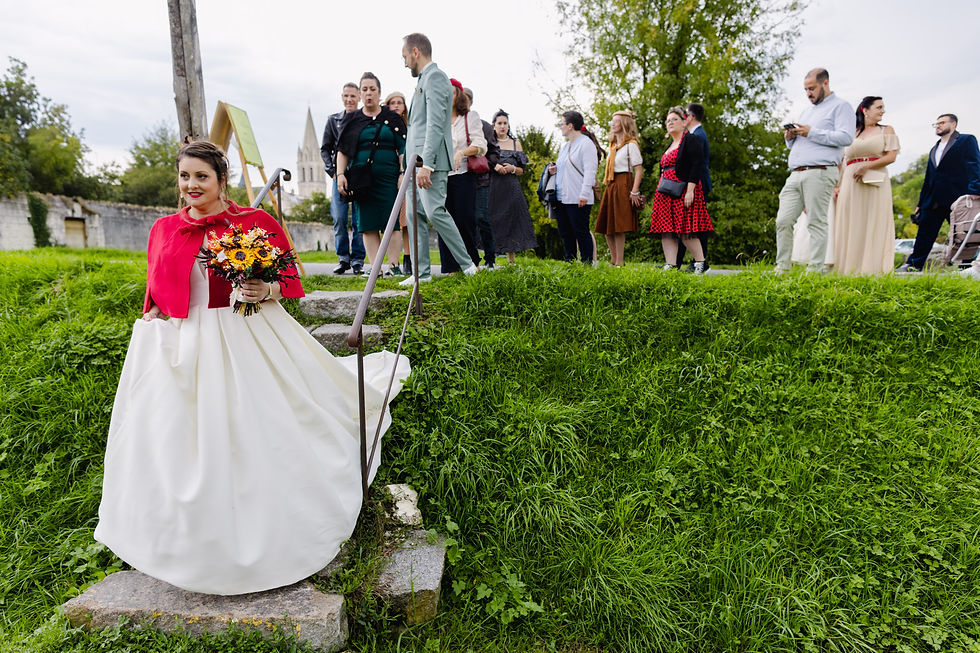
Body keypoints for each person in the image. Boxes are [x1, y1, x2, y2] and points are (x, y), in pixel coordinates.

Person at [95, 141, 410, 595]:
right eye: (184, 177)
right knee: (175, 434)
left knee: (256, 422)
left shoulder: (254, 223)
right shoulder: (165, 228)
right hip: (189, 338)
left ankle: (270, 521)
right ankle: (184, 537)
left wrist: (263, 291)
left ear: (222, 180)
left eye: (201, 177)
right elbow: (157, 286)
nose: (191, 186)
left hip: (246, 328)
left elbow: (288, 278)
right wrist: (155, 313)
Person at [399, 32, 477, 284]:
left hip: (427, 163)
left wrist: (428, 164)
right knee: (414, 216)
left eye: (405, 57)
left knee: (434, 212)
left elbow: (434, 124)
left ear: (415, 52)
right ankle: (420, 275)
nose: (404, 63)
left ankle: (468, 266)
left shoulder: (436, 78)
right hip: (414, 163)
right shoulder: (422, 79)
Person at [774, 68, 853, 273]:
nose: (808, 93)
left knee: (816, 222)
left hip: (820, 170)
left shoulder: (841, 107)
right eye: (805, 89)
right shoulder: (806, 111)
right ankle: (782, 268)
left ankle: (815, 269)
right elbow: (803, 143)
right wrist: (790, 139)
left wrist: (812, 132)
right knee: (783, 220)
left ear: (825, 84)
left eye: (812, 88)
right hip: (796, 172)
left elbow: (846, 138)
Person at [336, 72, 406, 277]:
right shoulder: (352, 120)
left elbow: (403, 147)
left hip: (389, 178)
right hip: (361, 180)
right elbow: (343, 151)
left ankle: (393, 266)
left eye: (372, 89)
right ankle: (375, 267)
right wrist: (341, 174)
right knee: (367, 224)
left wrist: (402, 172)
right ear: (359, 93)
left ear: (379, 92)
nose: (368, 93)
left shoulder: (392, 117)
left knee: (391, 223)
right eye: (364, 89)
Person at [897, 113, 980, 272]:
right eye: (936, 123)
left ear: (953, 124)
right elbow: (928, 177)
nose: (938, 125)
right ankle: (914, 265)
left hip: (957, 198)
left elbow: (974, 164)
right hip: (933, 199)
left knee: (963, 233)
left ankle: (966, 266)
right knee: (924, 234)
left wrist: (975, 190)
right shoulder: (934, 148)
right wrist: (920, 203)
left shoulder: (966, 140)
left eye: (942, 122)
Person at [832, 96, 900, 275]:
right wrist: (835, 185)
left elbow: (891, 156)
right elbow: (841, 160)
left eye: (883, 107)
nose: (883, 110)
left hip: (875, 179)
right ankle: (847, 269)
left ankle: (874, 269)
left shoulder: (887, 130)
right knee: (850, 222)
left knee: (874, 221)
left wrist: (866, 167)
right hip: (849, 181)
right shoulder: (850, 132)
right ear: (865, 110)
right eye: (879, 107)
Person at [649, 106, 713, 274]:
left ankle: (700, 263)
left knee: (686, 229)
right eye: (668, 120)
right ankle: (670, 265)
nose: (670, 122)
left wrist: (690, 190)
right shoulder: (670, 144)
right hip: (665, 192)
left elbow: (696, 165)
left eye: (674, 119)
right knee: (666, 230)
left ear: (684, 122)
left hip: (683, 189)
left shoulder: (690, 140)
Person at [437, 79, 486, 274]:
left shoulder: (469, 117)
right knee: (444, 220)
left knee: (464, 220)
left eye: (451, 91)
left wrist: (461, 152)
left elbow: (481, 144)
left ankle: (472, 264)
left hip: (463, 176)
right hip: (441, 177)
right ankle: (450, 268)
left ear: (458, 94)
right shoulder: (437, 120)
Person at [320, 83, 366, 275]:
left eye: (353, 96)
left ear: (359, 98)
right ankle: (343, 259)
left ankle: (357, 260)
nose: (349, 99)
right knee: (339, 218)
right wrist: (332, 171)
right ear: (342, 97)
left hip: (359, 175)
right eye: (346, 96)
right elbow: (325, 148)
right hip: (338, 175)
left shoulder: (365, 119)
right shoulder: (333, 120)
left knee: (358, 220)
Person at [548, 110, 603, 263]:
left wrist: (584, 194)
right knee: (566, 232)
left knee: (581, 231)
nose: (560, 127)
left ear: (570, 126)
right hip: (562, 196)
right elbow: (564, 167)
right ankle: (570, 262)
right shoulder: (565, 147)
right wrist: (554, 170)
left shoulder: (586, 145)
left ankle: (587, 263)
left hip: (578, 196)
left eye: (562, 124)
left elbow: (590, 171)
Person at [487, 109, 538, 264]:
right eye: (499, 123)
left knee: (512, 220)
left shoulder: (516, 143)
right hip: (493, 187)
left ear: (508, 125)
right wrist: (494, 166)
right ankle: (490, 260)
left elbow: (522, 170)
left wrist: (512, 169)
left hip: (511, 187)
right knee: (490, 220)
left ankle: (511, 261)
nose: (502, 126)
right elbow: (483, 162)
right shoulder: (489, 143)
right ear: (494, 125)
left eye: (505, 123)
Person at [594, 110, 642, 267]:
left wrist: (634, 191)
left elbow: (638, 170)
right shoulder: (613, 146)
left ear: (625, 124)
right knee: (606, 226)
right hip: (610, 184)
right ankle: (613, 260)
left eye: (616, 121)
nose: (613, 124)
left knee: (619, 226)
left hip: (623, 183)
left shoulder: (631, 145)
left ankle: (620, 262)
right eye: (612, 121)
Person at [463, 87, 499, 269]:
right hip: (461, 179)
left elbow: (494, 151)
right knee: (466, 219)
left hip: (480, 179)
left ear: (471, 101)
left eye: (466, 99)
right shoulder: (454, 124)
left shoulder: (484, 125)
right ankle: (471, 259)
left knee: (481, 217)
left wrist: (484, 164)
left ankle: (490, 258)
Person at [676, 102, 712, 270]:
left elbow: (696, 164)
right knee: (686, 223)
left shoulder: (697, 136)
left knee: (696, 223)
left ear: (690, 117)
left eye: (685, 116)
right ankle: (678, 261)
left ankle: (700, 262)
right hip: (694, 182)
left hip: (697, 183)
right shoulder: (695, 134)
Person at [385, 90, 411, 274]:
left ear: (404, 107)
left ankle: (408, 258)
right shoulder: (383, 126)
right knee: (390, 221)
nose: (395, 105)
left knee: (406, 220)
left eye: (399, 102)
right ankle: (389, 261)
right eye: (392, 102)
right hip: (387, 176)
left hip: (406, 176)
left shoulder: (411, 127)